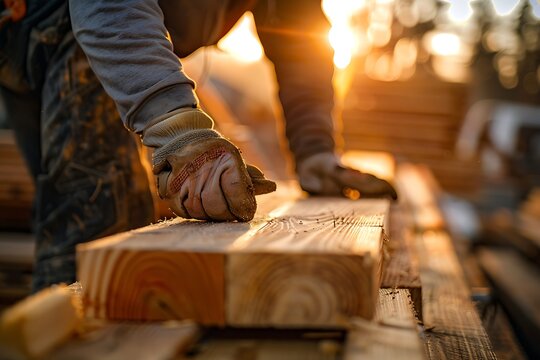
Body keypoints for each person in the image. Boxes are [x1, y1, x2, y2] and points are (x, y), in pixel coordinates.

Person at [0, 0, 397, 291]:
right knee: (93, 229)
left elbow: (300, 39)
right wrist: (178, 130)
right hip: (56, 26)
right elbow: (110, 9)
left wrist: (315, 152)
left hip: (95, 39)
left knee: (100, 217)